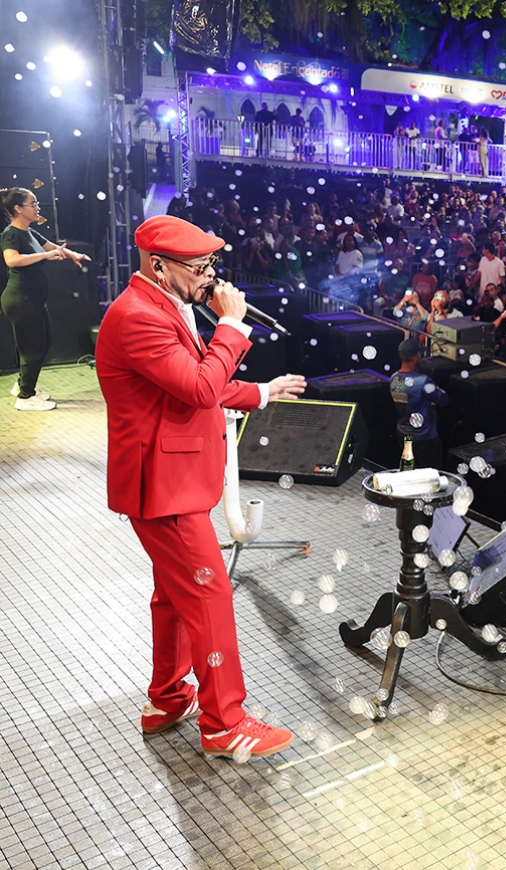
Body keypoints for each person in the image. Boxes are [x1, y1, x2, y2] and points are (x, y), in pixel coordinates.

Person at [96, 215, 306, 759]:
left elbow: (195, 384)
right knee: (209, 595)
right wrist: (232, 328)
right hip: (163, 487)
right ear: (159, 267)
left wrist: (261, 391)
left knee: (174, 594)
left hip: (172, 481)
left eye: (211, 264)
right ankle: (224, 723)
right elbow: (196, 387)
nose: (210, 276)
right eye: (200, 266)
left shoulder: (164, 306)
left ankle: (168, 698)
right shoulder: (137, 317)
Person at [2, 187, 87, 410]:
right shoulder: (11, 234)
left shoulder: (30, 232)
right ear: (18, 209)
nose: (38, 208)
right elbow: (12, 260)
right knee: (33, 347)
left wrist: (73, 255)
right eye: (34, 204)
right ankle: (25, 398)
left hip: (33, 299)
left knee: (43, 342)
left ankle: (23, 384)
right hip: (20, 299)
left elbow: (54, 248)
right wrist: (46, 256)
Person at [391, 339, 449, 468]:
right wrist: (430, 400)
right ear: (414, 357)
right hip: (424, 438)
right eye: (419, 354)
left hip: (403, 434)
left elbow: (408, 398)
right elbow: (443, 399)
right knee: (429, 474)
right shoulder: (422, 381)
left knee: (409, 470)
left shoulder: (393, 379)